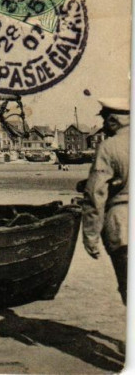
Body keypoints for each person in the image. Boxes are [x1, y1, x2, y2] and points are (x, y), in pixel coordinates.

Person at [82, 98, 129, 304]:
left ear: (113, 121)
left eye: (103, 119)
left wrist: (90, 236)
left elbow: (95, 195)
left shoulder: (109, 147)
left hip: (123, 225)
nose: (102, 126)